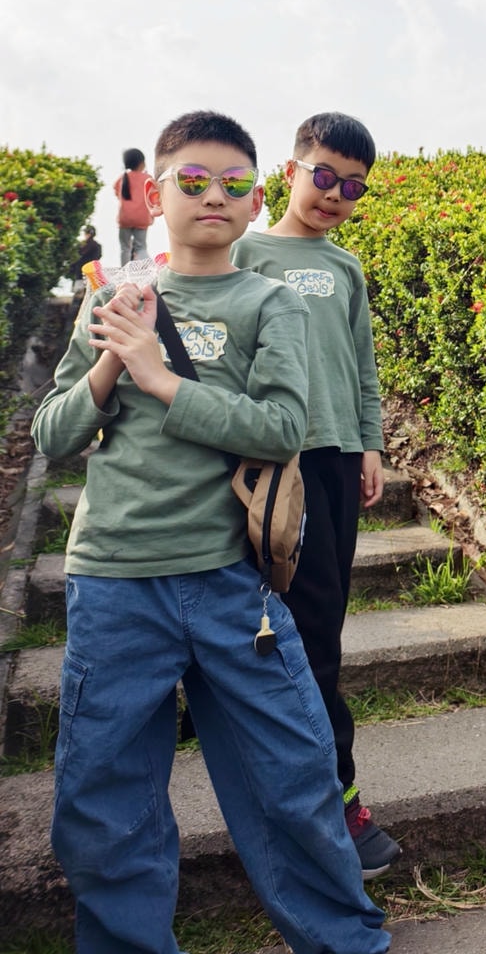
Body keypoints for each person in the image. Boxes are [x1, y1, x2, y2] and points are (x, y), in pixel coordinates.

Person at [32, 110, 390, 954]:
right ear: (155, 195)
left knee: (295, 777)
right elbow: (53, 434)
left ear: (257, 196)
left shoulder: (270, 300)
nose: (214, 197)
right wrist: (115, 358)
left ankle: (344, 941)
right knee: (104, 798)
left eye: (234, 184)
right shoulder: (107, 298)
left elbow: (279, 431)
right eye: (193, 181)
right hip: (113, 579)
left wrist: (159, 379)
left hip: (234, 583)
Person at [232, 111, 400, 879]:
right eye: (323, 175)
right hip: (269, 464)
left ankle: (338, 795)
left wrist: (370, 442)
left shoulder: (347, 268)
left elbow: (361, 364)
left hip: (334, 463)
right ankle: (307, 795)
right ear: (290, 172)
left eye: (353, 186)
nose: (334, 194)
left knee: (322, 628)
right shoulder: (243, 252)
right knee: (275, 630)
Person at [113, 146, 154, 263]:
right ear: (141, 163)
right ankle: (149, 270)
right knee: (141, 247)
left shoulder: (122, 178)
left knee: (125, 248)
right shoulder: (147, 178)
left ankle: (125, 276)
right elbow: (153, 196)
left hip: (124, 218)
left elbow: (116, 191)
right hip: (141, 219)